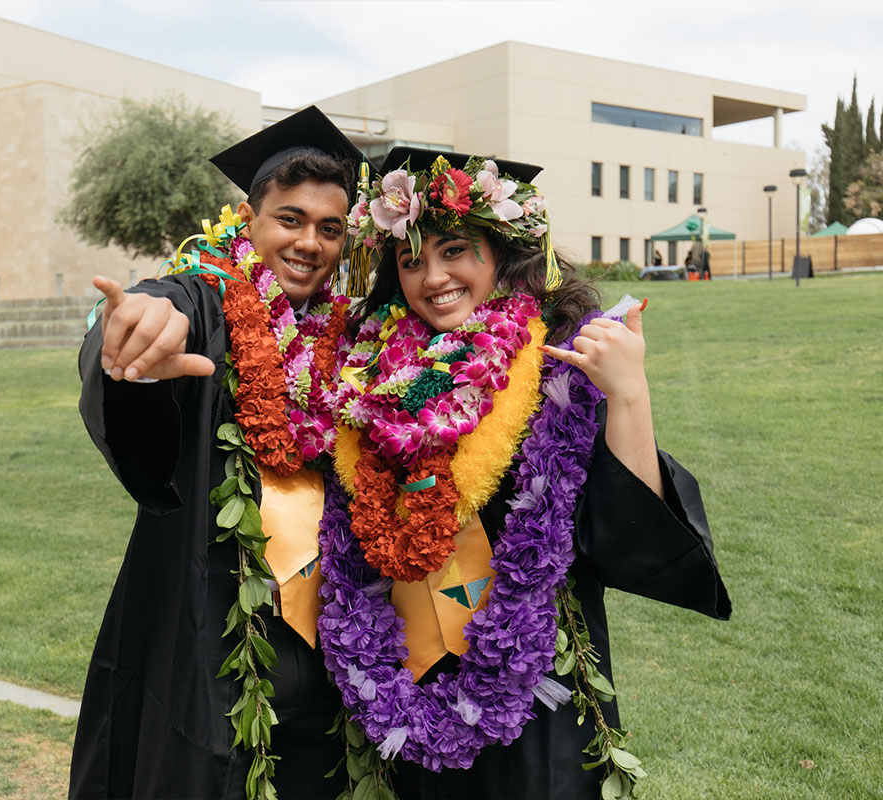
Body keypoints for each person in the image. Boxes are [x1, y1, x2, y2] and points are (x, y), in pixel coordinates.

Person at [319, 148, 731, 799]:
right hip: (409, 685)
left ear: (504, 250)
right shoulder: (371, 377)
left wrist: (628, 394)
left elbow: (625, 535)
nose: (433, 277)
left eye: (455, 250)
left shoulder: (556, 363)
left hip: (534, 683)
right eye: (411, 259)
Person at [69, 107, 367, 800]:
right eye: (290, 219)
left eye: (330, 229)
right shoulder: (207, 298)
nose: (309, 243)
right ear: (248, 219)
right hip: (212, 639)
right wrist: (136, 337)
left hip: (332, 653)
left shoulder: (353, 337)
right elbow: (156, 310)